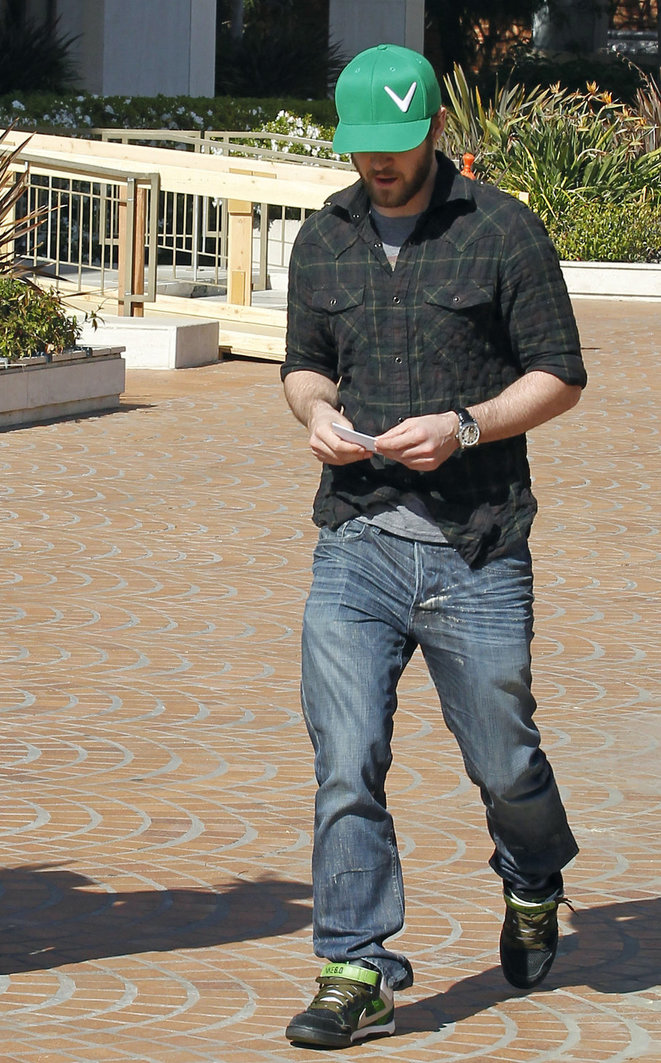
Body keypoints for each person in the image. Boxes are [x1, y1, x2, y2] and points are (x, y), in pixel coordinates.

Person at [280, 45, 585, 1049]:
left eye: (397, 147)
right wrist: (314, 413)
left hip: (477, 545)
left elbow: (560, 375)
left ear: (434, 135)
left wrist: (465, 425)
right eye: (363, 147)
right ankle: (353, 966)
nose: (379, 164)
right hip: (357, 539)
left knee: (504, 762)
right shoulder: (324, 237)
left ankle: (533, 876)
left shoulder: (502, 230)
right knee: (345, 761)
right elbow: (305, 366)